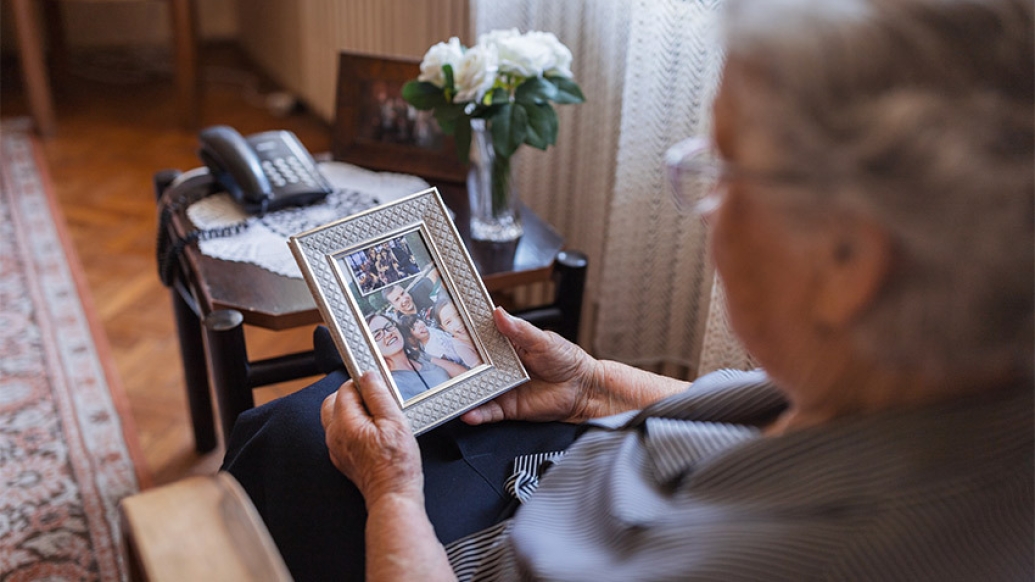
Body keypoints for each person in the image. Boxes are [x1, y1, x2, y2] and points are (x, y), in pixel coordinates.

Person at [222, 0, 1033, 579]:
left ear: (850, 265)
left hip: (477, 553)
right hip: (596, 474)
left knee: (296, 436)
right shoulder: (946, 383)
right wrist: (589, 386)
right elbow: (765, 420)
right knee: (337, 411)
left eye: (723, 170)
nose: (706, 209)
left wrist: (392, 498)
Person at [366, 313, 467, 400]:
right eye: (377, 335)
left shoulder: (419, 356)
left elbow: (462, 373)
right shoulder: (395, 384)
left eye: (389, 326)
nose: (388, 334)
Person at [431, 297, 483, 369]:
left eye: (459, 314)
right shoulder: (460, 346)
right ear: (444, 328)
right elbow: (480, 367)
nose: (458, 323)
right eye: (448, 322)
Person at [398, 313, 466, 368]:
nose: (419, 326)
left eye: (417, 321)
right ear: (412, 336)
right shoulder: (431, 350)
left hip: (462, 343)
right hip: (463, 360)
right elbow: (450, 363)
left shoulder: (429, 329)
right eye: (414, 328)